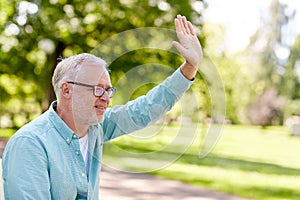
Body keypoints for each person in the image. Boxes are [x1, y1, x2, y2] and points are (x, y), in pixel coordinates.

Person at [2, 14, 202, 199]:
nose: (106, 98)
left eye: (108, 90)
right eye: (98, 89)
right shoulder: (30, 144)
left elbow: (144, 110)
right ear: (66, 91)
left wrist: (189, 67)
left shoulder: (95, 128)